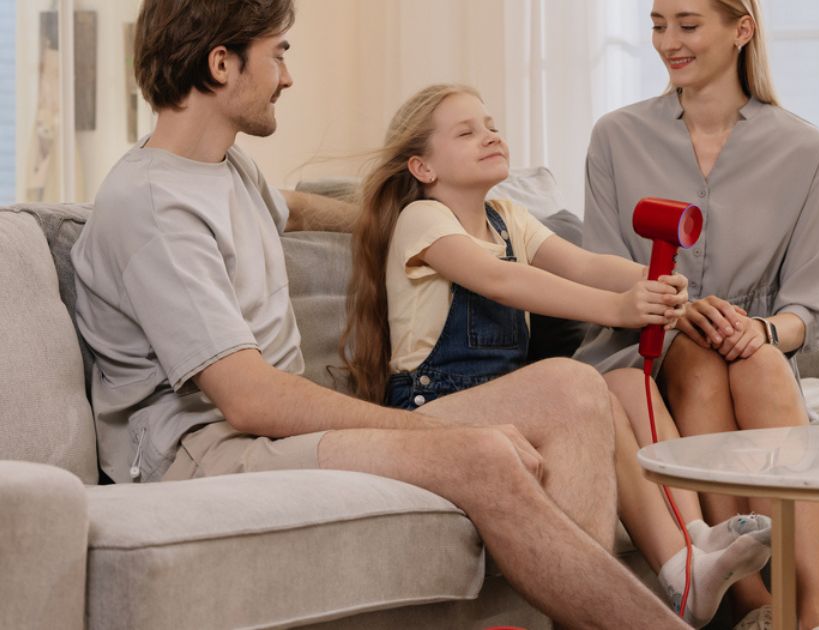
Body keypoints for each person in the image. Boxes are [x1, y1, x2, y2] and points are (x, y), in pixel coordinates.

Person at [70, 1, 691, 627]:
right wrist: (450, 434)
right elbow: (248, 399)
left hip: (270, 437)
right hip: (206, 455)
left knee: (572, 387)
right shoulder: (154, 208)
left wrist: (401, 224)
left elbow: (296, 208)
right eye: (279, 53)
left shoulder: (229, 168)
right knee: (484, 459)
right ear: (222, 62)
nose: (288, 78)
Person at [342, 82, 776, 627]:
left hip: (506, 403)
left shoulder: (508, 218)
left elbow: (586, 264)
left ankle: (686, 553)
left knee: (619, 383)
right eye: (466, 131)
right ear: (423, 168)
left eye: (491, 124)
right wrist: (620, 308)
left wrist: (657, 280)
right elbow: (501, 281)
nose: (489, 135)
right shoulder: (424, 219)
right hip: (433, 408)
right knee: (571, 378)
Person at [573, 0, 819, 628]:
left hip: (751, 347)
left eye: (688, 24)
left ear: (741, 30)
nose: (669, 41)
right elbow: (602, 269)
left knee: (762, 365)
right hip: (640, 345)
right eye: (657, 24)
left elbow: (815, 304)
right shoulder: (616, 137)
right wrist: (678, 311)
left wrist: (762, 330)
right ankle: (755, 606)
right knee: (699, 358)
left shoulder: (807, 152)